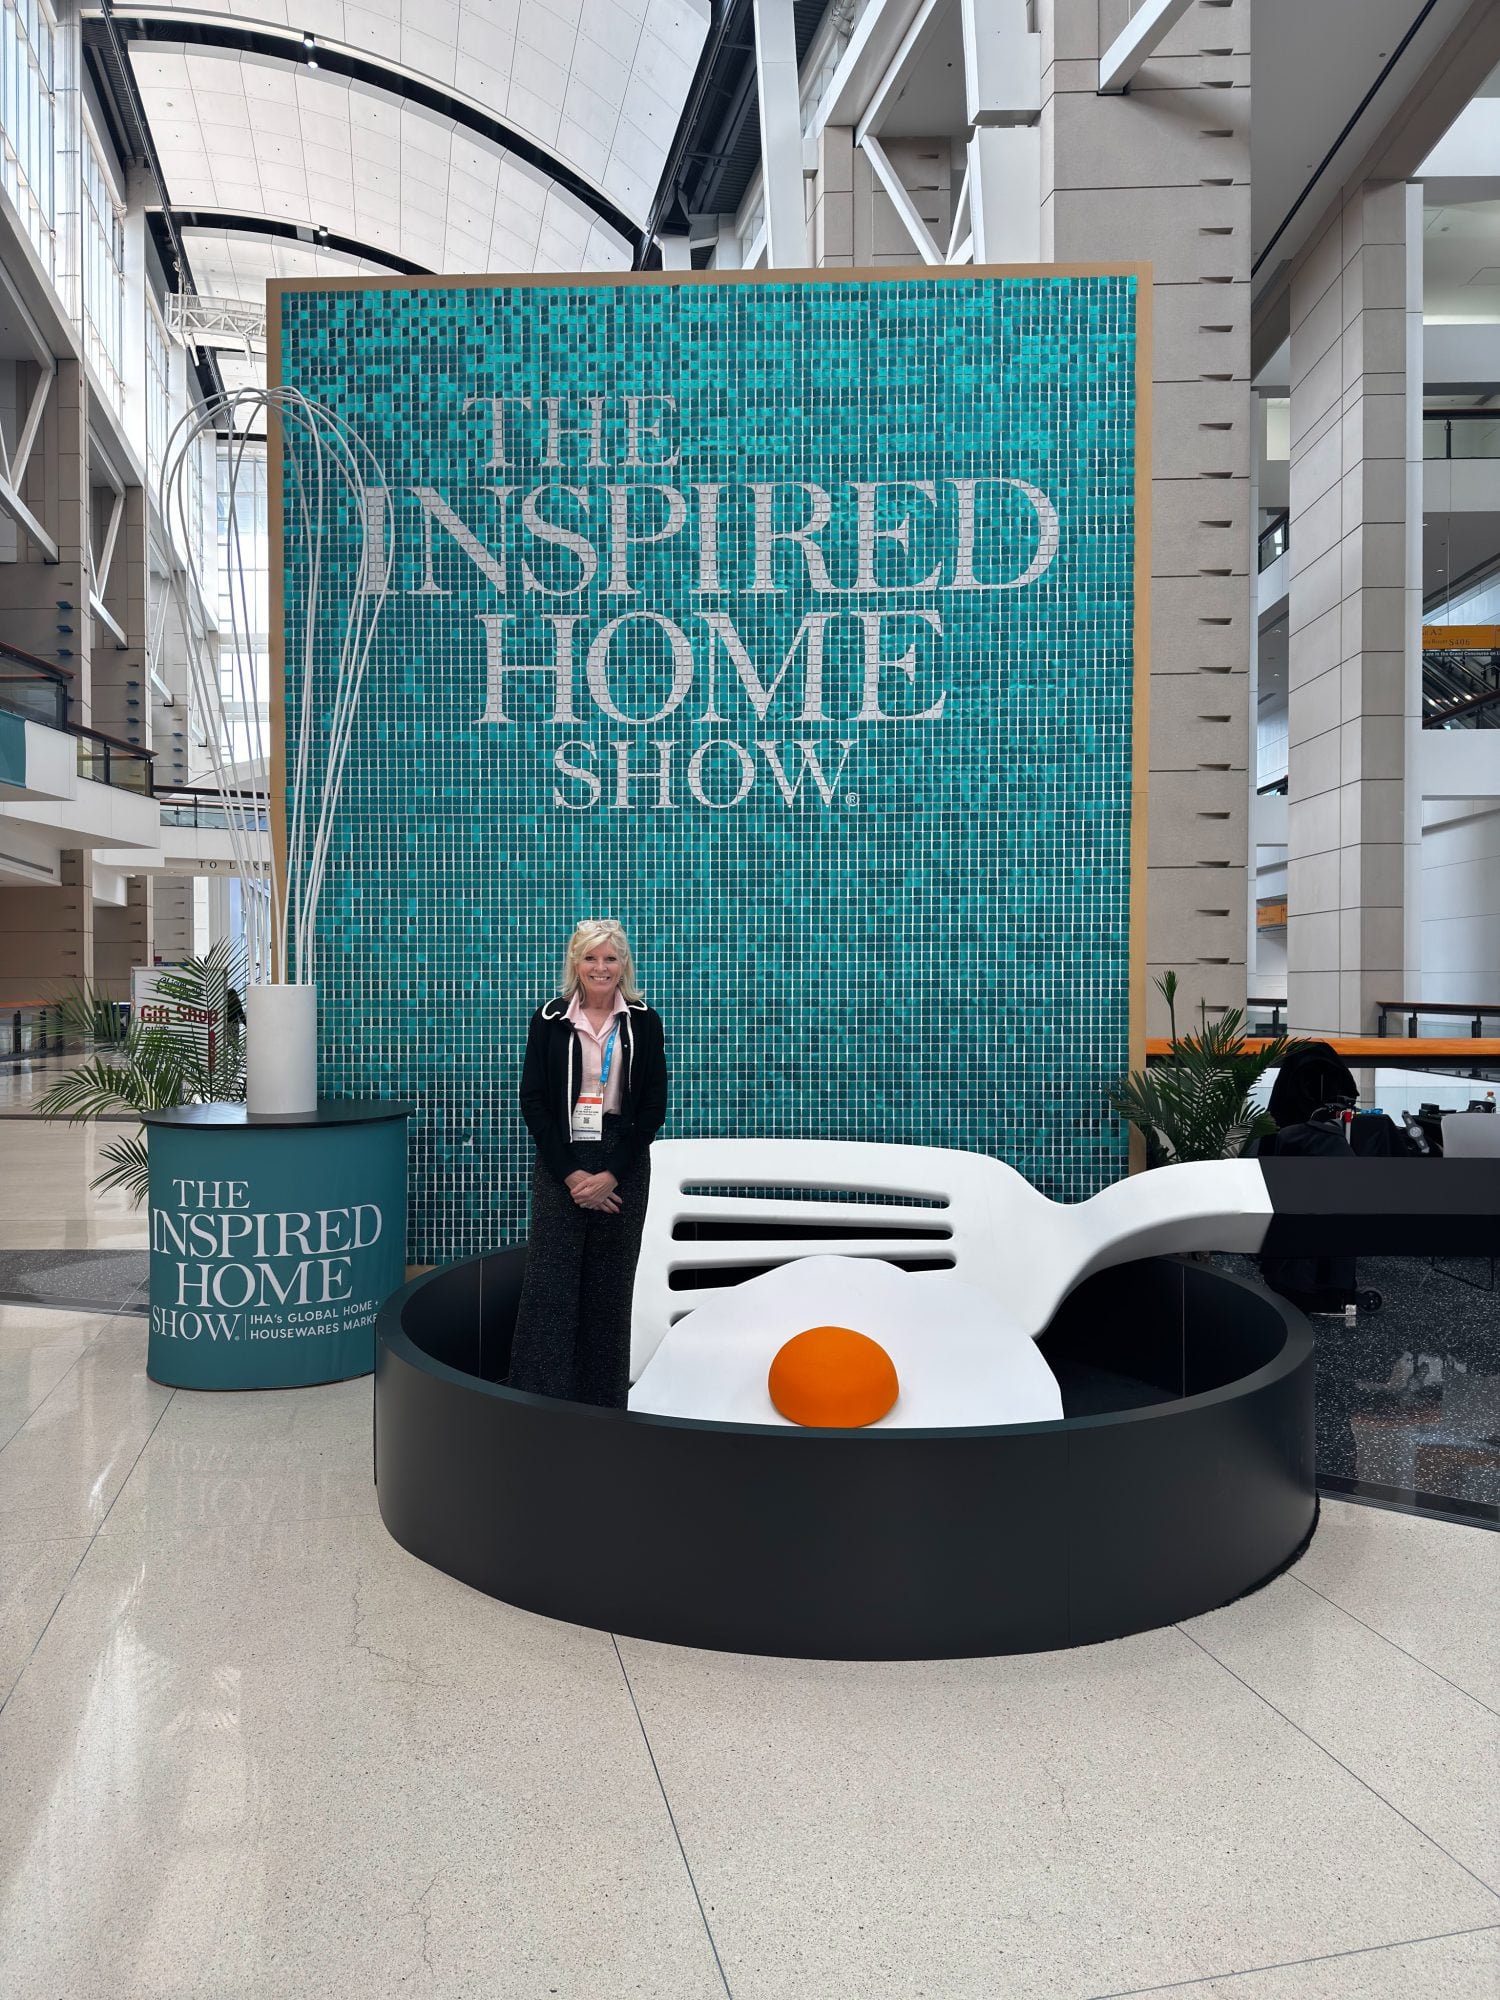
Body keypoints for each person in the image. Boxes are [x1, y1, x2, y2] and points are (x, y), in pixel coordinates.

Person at [509, 920, 668, 1407]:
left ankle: (602, 1402)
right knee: (550, 1285)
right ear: (575, 963)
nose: (601, 968)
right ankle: (541, 1400)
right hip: (564, 1157)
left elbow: (652, 1108)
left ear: (624, 966)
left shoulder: (643, 1020)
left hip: (621, 1158)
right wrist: (572, 1174)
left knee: (610, 1285)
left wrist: (611, 1175)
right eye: (591, 958)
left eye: (611, 958)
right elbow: (533, 1101)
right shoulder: (550, 1018)